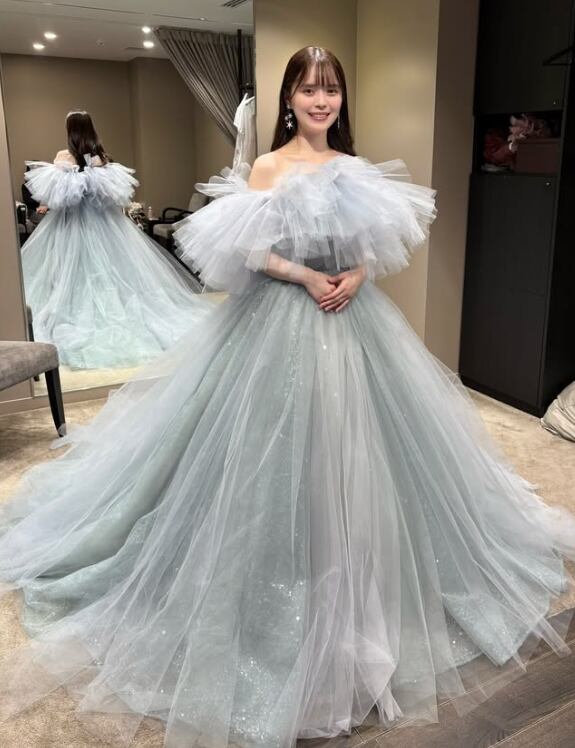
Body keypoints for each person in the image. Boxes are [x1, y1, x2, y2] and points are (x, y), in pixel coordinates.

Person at [0, 48, 573, 748]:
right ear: (289, 100)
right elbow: (249, 252)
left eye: (331, 89)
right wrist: (304, 276)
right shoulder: (269, 166)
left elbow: (372, 246)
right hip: (278, 322)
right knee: (268, 458)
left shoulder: (355, 169)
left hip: (354, 321)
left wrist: (355, 276)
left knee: (367, 454)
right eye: (308, 89)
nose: (321, 100)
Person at [21, 111, 208, 370]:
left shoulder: (64, 157)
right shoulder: (102, 159)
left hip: (71, 227)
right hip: (105, 227)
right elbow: (110, 198)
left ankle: (73, 313)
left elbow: (58, 199)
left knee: (67, 274)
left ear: (70, 130)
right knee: (112, 272)